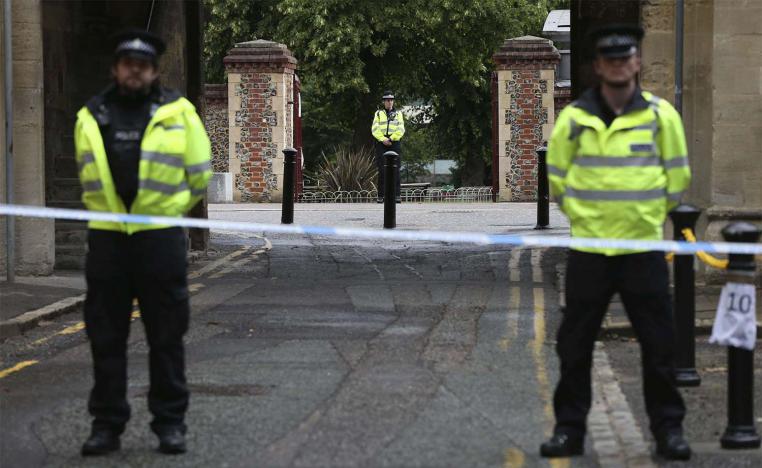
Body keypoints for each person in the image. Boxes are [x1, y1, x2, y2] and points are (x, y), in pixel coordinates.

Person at [541, 24, 692, 460]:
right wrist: (586, 218)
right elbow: (559, 182)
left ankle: (669, 432)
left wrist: (646, 217)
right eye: (610, 60)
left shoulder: (662, 117)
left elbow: (677, 178)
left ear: (637, 63)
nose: (619, 65)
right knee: (574, 346)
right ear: (597, 67)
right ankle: (569, 430)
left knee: (660, 346)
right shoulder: (574, 119)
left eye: (625, 58)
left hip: (641, 249)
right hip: (590, 250)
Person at [75, 29, 211, 456]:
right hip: (109, 241)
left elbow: (199, 174)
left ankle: (170, 424)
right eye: (128, 63)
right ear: (116, 68)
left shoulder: (179, 112)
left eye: (144, 65)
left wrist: (168, 213)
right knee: (105, 336)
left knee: (166, 336)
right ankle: (106, 426)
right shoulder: (90, 115)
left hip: (160, 240)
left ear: (154, 71)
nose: (135, 70)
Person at [371, 90, 405, 203]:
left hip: (394, 142)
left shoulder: (399, 113)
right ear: (384, 102)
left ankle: (397, 196)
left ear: (393, 101)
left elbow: (401, 129)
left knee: (396, 169)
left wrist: (391, 138)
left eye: (391, 100)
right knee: (382, 169)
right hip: (382, 142)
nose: (389, 102)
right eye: (387, 100)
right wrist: (383, 139)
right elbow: (374, 129)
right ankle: (381, 196)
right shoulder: (378, 113)